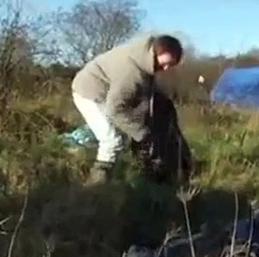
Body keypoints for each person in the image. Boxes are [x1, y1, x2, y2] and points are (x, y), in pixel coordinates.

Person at [71, 33, 186, 185]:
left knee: (122, 132)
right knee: (112, 141)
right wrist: (141, 133)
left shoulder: (145, 58)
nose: (165, 69)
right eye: (164, 64)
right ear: (157, 51)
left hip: (110, 93)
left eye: (169, 66)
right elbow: (115, 110)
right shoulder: (131, 73)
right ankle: (96, 188)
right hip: (89, 92)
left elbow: (143, 101)